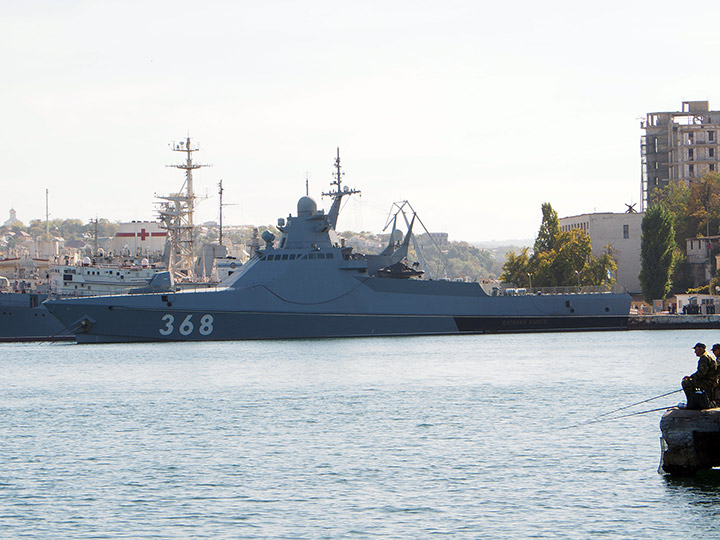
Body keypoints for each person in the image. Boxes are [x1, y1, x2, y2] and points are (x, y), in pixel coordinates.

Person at [682, 343, 718, 409]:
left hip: (708, 382)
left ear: (701, 349)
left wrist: (690, 377)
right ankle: (697, 401)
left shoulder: (704, 358)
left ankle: (691, 403)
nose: (695, 352)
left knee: (685, 383)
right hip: (713, 381)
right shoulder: (710, 356)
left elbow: (701, 373)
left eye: (696, 350)